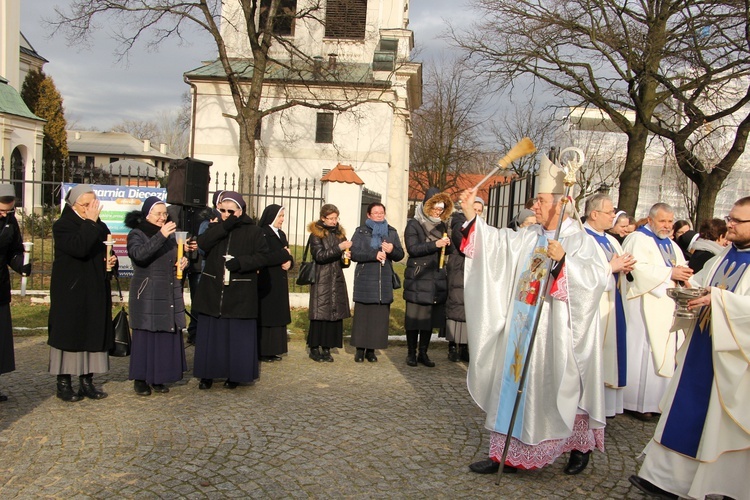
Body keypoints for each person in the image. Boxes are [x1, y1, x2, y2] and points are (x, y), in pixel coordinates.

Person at [463, 155, 609, 476]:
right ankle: (507, 455)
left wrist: (564, 262)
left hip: (557, 332)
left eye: (541, 201)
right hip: (522, 326)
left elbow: (597, 281)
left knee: (561, 385)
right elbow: (497, 245)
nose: (535, 207)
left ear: (562, 203)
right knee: (514, 383)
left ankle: (577, 448)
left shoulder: (580, 240)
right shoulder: (530, 235)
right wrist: (471, 217)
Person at [629, 196, 750, 500]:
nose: (729, 224)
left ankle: (713, 487)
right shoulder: (725, 254)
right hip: (702, 344)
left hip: (731, 356)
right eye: (731, 218)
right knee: (684, 412)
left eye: (737, 221)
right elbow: (707, 285)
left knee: (712, 423)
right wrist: (694, 293)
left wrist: (719, 301)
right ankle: (664, 479)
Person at [621, 203, 692, 420]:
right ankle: (637, 402)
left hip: (666, 305)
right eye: (663, 221)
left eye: (670, 221)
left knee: (665, 350)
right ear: (650, 220)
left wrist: (687, 278)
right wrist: (670, 273)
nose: (668, 226)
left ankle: (659, 402)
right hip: (645, 303)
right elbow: (636, 269)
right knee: (645, 352)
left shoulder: (671, 244)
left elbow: (681, 268)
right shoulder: (637, 239)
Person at [193, 191, 270, 389]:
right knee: (212, 335)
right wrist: (224, 225)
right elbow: (203, 244)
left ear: (240, 211)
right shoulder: (214, 227)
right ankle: (207, 374)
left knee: (235, 336)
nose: (226, 214)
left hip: (239, 291)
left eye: (230, 211)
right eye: (223, 210)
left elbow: (263, 257)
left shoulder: (253, 231)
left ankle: (234, 374)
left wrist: (241, 263)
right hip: (213, 290)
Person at [48, 184, 117, 402]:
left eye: (93, 204)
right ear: (74, 205)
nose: (90, 208)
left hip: (95, 289)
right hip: (71, 290)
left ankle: (87, 381)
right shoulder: (63, 225)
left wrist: (112, 261)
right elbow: (79, 247)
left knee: (92, 333)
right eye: (86, 205)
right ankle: (64, 383)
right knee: (69, 334)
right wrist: (89, 222)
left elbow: (107, 250)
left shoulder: (99, 225)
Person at [125, 197, 191, 396]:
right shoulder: (137, 234)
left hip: (167, 290)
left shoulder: (169, 237)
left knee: (164, 333)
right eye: (159, 214)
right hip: (147, 292)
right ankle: (141, 378)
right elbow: (140, 255)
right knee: (146, 335)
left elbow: (170, 259)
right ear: (147, 215)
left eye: (165, 214)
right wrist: (161, 235)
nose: (163, 218)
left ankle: (159, 376)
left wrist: (181, 263)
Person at [583, 194, 636, 417]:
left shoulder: (611, 239)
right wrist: (611, 267)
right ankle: (589, 405)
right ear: (594, 214)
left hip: (614, 303)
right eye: (610, 212)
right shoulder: (581, 237)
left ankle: (606, 407)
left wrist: (625, 267)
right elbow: (581, 275)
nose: (613, 216)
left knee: (612, 354)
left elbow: (618, 264)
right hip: (595, 307)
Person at [403, 187, 453, 367]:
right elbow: (413, 249)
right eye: (435, 209)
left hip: (436, 277)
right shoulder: (414, 225)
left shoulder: (443, 225)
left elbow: (448, 249)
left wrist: (448, 244)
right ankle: (411, 353)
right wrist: (435, 245)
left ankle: (423, 352)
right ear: (427, 206)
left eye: (441, 209)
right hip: (418, 276)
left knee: (428, 320)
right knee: (414, 319)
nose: (438, 212)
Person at [349, 202, 405, 362]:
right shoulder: (361, 231)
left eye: (381, 212)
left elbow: (400, 255)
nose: (379, 215)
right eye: (376, 212)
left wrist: (391, 250)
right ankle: (360, 350)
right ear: (368, 215)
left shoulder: (391, 232)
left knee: (378, 318)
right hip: (365, 278)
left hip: (383, 280)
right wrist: (373, 255)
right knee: (363, 316)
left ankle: (371, 350)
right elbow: (354, 253)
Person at [305, 204, 351, 362]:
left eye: (335, 218)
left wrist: (346, 257)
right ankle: (314, 347)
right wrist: (339, 248)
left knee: (333, 314)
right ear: (323, 218)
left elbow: (343, 262)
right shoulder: (316, 234)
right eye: (330, 218)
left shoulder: (339, 234)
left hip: (336, 277)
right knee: (320, 314)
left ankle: (327, 348)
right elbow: (320, 256)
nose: (333, 221)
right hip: (322, 278)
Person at [0, 184, 29, 402]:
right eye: (1, 210)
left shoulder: (11, 222)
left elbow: (14, 250)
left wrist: (21, 264)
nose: (5, 214)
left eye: (8, 210)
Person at [445, 197, 484, 362]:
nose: (476, 213)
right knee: (456, 305)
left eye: (479, 210)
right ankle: (453, 345)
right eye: (474, 209)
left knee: (471, 308)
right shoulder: (458, 224)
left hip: (475, 271)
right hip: (459, 268)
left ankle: (466, 346)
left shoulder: (483, 227)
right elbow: (464, 243)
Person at [257, 204, 294, 362]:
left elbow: (288, 253)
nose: (282, 220)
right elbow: (266, 256)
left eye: (283, 216)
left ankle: (275, 349)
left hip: (280, 279)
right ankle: (263, 350)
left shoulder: (281, 234)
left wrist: (290, 262)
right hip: (267, 279)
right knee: (267, 315)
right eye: (280, 216)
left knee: (277, 315)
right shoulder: (263, 233)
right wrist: (283, 255)